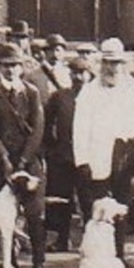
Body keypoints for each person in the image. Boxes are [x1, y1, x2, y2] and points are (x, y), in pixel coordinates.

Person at [72, 38, 134, 264]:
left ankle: (118, 257)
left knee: (121, 207)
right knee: (98, 211)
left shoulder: (130, 90)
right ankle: (97, 257)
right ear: (100, 64)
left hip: (124, 156)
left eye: (116, 63)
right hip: (97, 157)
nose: (112, 68)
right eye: (108, 63)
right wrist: (82, 162)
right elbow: (79, 129)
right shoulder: (89, 92)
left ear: (123, 64)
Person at [0, 43, 48, 268]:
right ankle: (11, 262)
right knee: (5, 216)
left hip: (29, 163)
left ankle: (39, 264)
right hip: (1, 163)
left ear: (21, 67)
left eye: (15, 65)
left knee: (35, 214)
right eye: (6, 66)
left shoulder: (31, 92)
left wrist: (25, 160)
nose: (10, 70)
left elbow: (38, 128)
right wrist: (4, 158)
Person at [42, 54, 95, 252]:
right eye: (74, 72)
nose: (78, 77)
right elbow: (46, 124)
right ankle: (62, 239)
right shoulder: (59, 97)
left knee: (87, 201)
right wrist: (51, 148)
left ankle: (90, 242)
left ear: (89, 74)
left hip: (87, 158)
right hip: (63, 157)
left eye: (82, 73)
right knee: (61, 200)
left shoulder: (95, 97)